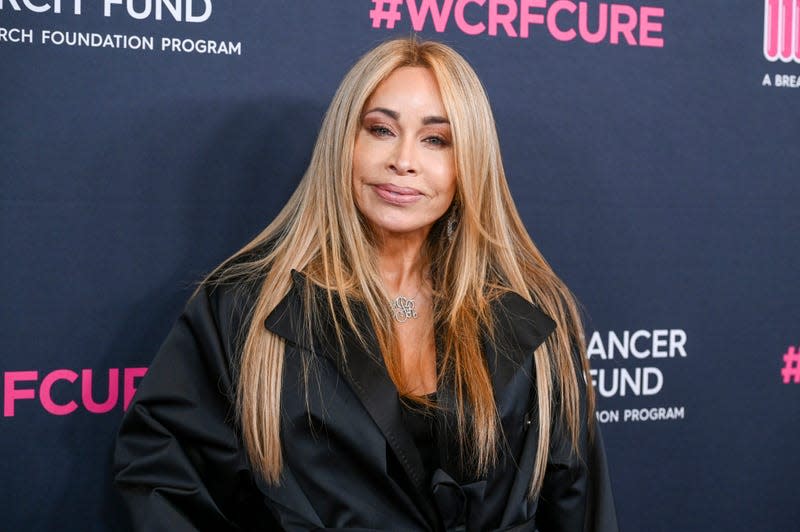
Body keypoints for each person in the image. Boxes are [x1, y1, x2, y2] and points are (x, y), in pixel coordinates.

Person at [113, 38, 618, 531]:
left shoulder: (532, 315)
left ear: (470, 164)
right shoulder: (241, 306)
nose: (403, 159)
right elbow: (163, 483)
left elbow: (578, 503)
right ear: (343, 142)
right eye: (380, 130)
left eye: (436, 139)